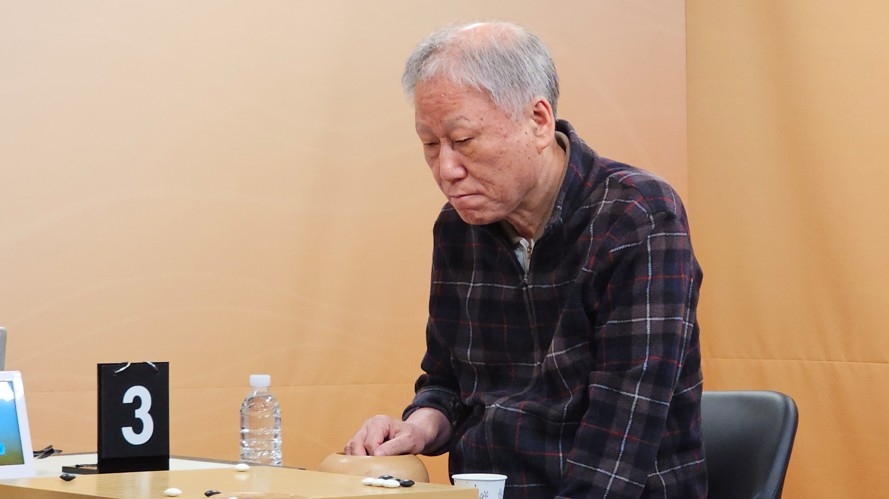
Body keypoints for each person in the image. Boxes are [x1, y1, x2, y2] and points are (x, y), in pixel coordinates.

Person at [345, 21, 706, 498]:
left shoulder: (637, 216)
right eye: (430, 145)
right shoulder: (457, 227)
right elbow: (448, 381)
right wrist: (419, 427)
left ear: (538, 120)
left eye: (463, 140)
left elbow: (621, 436)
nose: (446, 170)